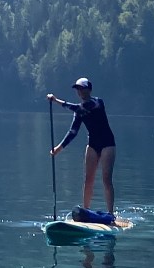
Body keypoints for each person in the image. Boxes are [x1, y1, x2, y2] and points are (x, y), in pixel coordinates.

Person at [47, 77, 117, 216]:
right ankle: (86, 211)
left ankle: (110, 213)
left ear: (89, 90)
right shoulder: (79, 112)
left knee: (106, 178)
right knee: (88, 178)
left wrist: (56, 100)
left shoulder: (97, 103)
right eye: (77, 89)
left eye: (82, 88)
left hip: (107, 143)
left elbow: (78, 107)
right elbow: (72, 132)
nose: (79, 91)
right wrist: (58, 149)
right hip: (93, 144)